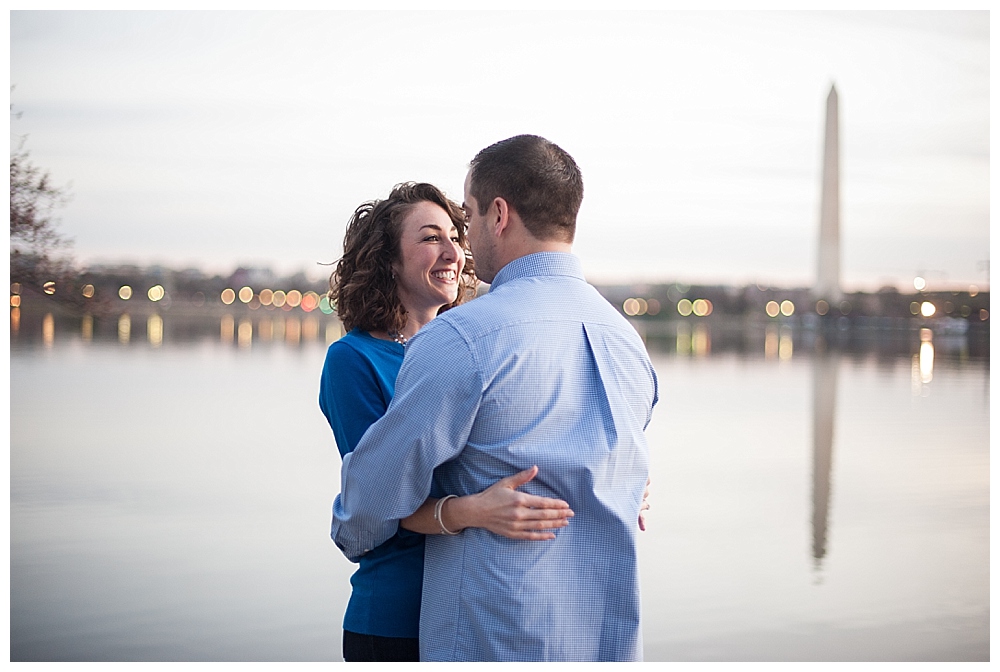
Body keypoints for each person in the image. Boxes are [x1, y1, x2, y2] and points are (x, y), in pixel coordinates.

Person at [330, 136, 659, 661]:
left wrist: (354, 525)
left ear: (499, 215)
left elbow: (366, 507)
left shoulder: (462, 339)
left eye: (468, 216)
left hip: (494, 636)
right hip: (600, 640)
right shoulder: (626, 341)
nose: (462, 242)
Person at [319, 182, 574, 662]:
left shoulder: (468, 351)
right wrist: (471, 513)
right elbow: (376, 503)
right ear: (388, 260)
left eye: (456, 236)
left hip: (474, 610)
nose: (453, 251)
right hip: (397, 617)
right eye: (431, 238)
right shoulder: (352, 360)